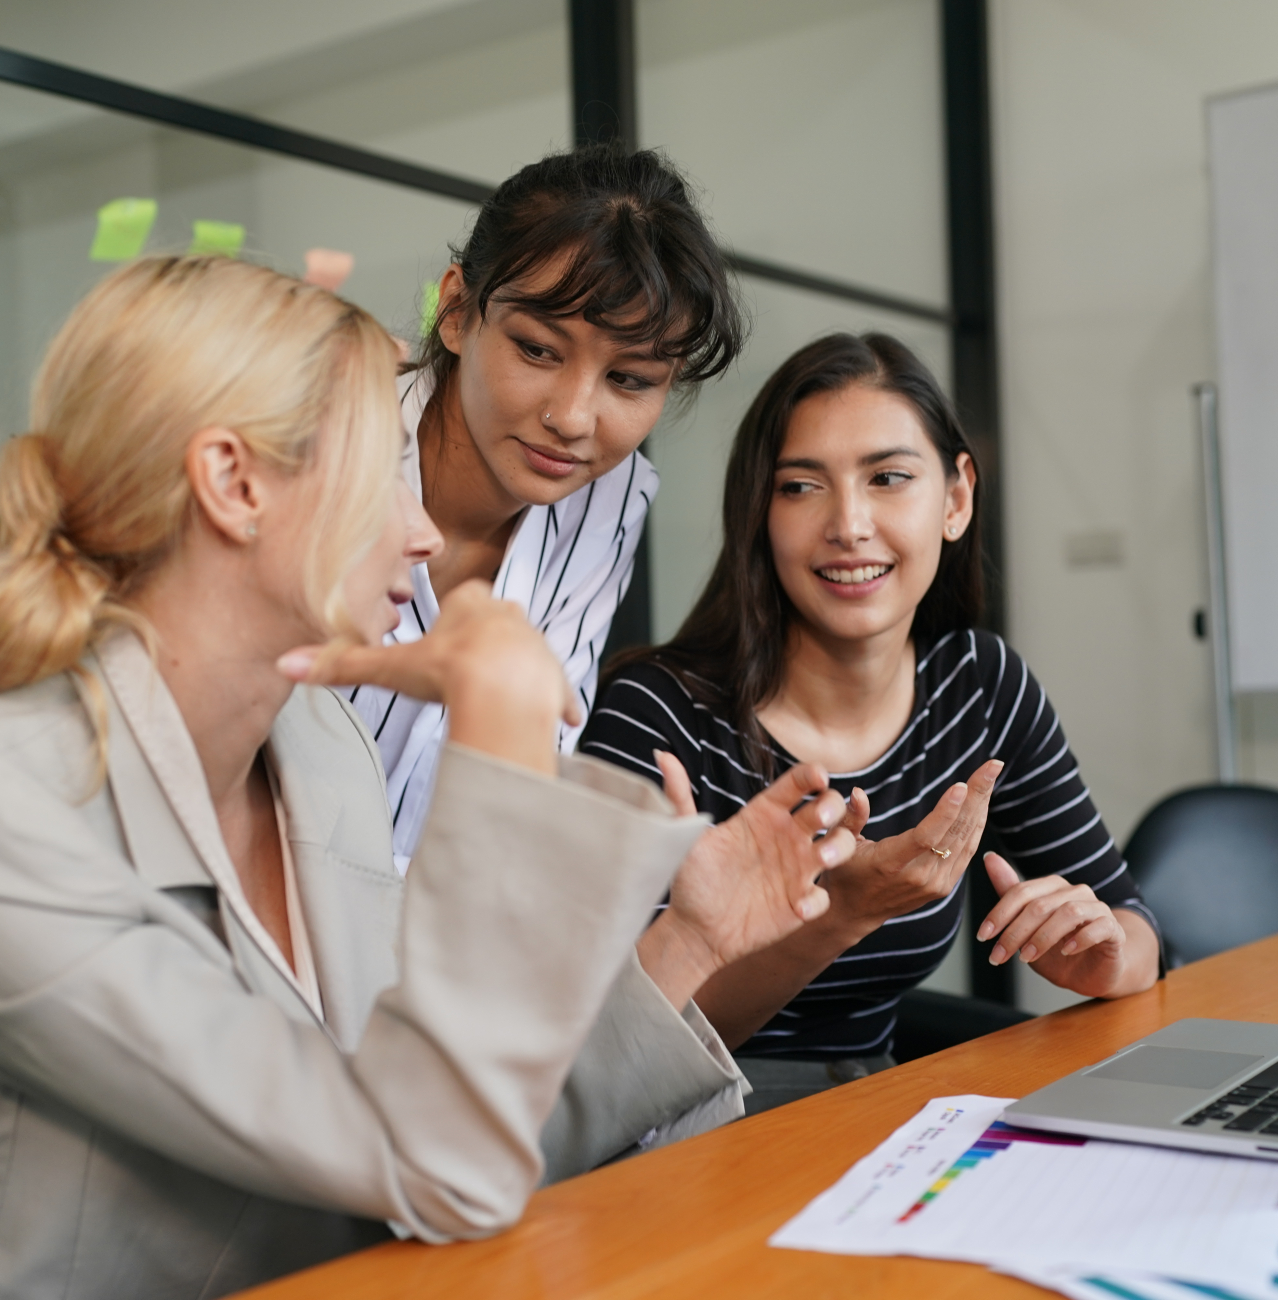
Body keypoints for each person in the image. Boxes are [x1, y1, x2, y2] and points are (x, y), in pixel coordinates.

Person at [0, 257, 859, 1298]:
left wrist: (690, 943)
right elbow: (431, 1159)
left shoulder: (319, 750)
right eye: (380, 475)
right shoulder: (20, 811)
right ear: (232, 483)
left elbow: (448, 1121)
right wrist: (495, 728)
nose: (420, 532)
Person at [582, 331, 1162, 1115]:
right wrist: (845, 912)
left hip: (877, 1108)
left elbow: (1133, 923)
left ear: (956, 498)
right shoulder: (657, 714)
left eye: (888, 478)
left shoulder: (978, 685)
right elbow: (614, 1046)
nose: (849, 525)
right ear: (758, 514)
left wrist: (1107, 958)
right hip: (677, 1127)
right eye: (800, 486)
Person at [349, 144, 746, 871]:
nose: (572, 417)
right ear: (458, 313)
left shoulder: (610, 500)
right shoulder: (326, 450)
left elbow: (530, 779)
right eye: (537, 350)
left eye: (629, 379)